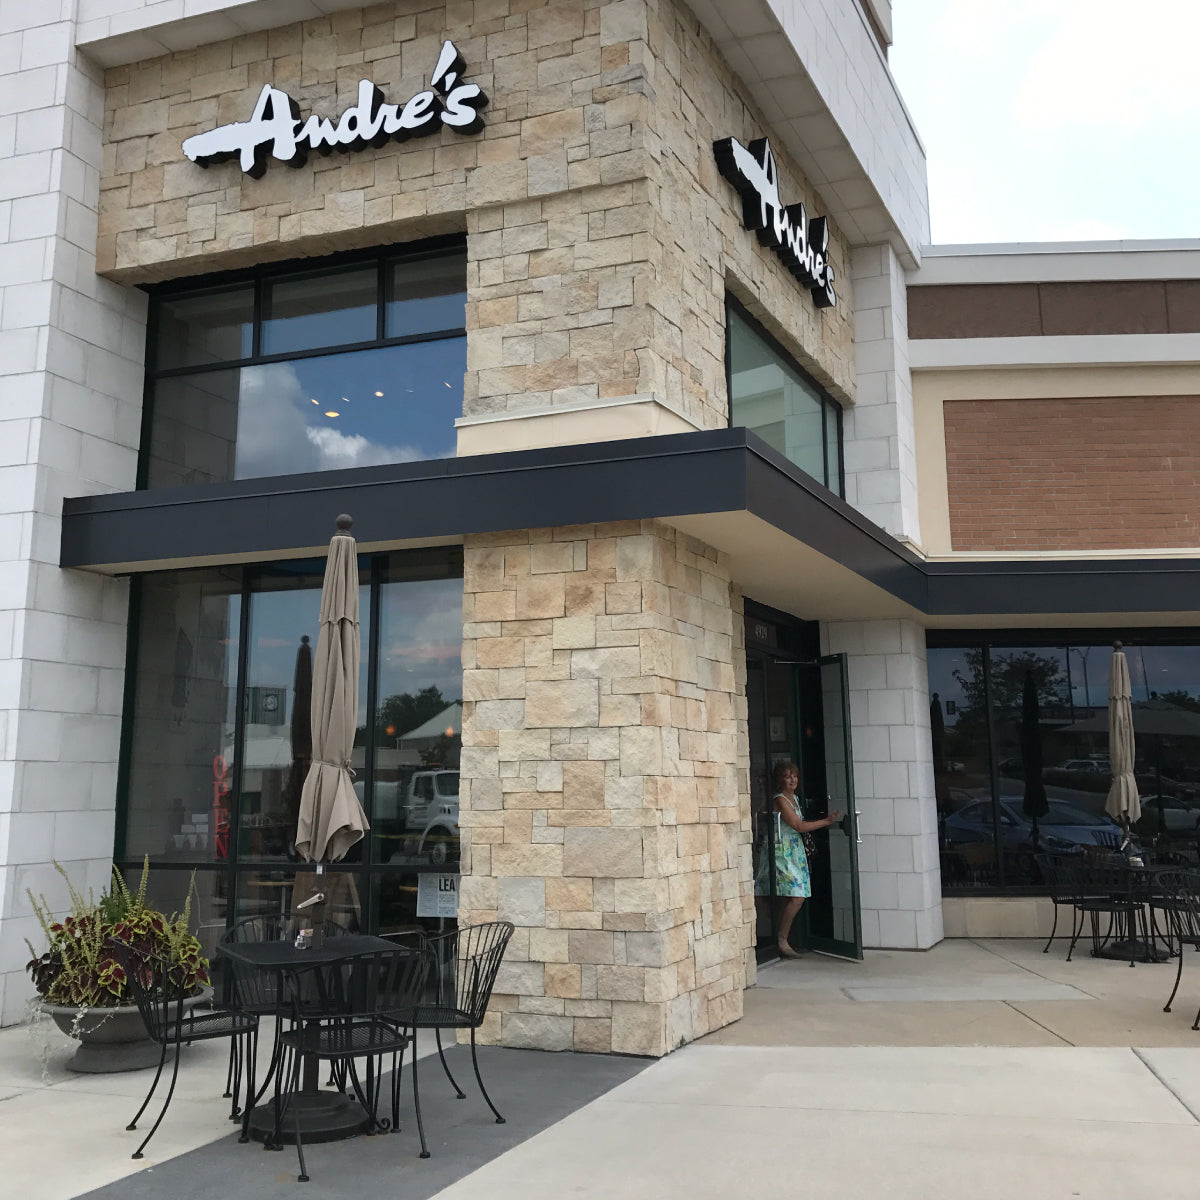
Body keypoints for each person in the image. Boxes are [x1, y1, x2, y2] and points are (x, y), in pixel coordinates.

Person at [756, 760, 843, 959]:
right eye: (787, 776)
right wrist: (827, 821)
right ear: (780, 780)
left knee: (788, 896)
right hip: (781, 851)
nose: (792, 780)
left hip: (794, 852)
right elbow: (798, 826)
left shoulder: (794, 798)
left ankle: (780, 936)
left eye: (794, 776)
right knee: (797, 896)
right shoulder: (780, 799)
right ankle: (781, 938)